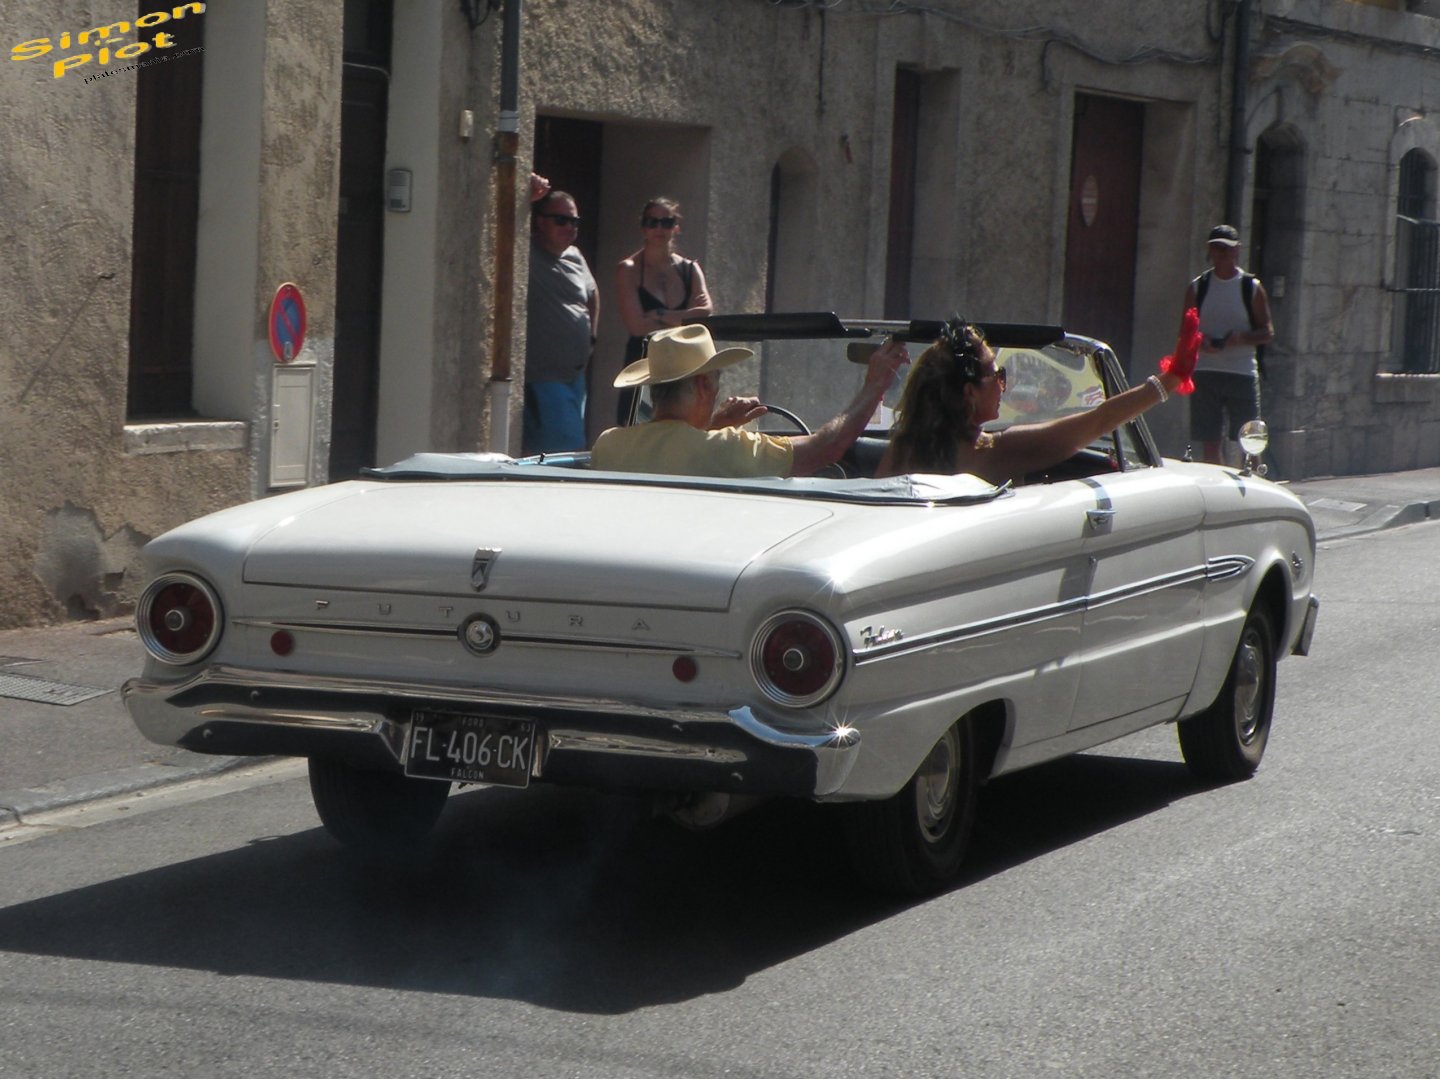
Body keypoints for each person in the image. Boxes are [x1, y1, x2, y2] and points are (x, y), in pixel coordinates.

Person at [878, 316, 1200, 487]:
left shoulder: (903, 447)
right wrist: (1170, 380)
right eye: (996, 374)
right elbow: (1098, 421)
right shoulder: (989, 452)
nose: (1003, 384)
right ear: (969, 392)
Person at [591, 324, 908, 478]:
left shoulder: (608, 444)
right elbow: (826, 448)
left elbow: (672, 449)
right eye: (716, 383)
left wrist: (714, 425)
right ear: (703, 384)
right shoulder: (725, 449)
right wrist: (875, 385)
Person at [613, 197, 715, 424]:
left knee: (684, 429)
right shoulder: (629, 269)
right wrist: (684, 319)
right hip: (643, 364)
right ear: (643, 227)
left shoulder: (689, 269)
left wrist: (660, 315)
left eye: (666, 222)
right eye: (653, 222)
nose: (659, 228)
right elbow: (637, 326)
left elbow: (705, 312)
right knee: (636, 431)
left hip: (684, 366)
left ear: (676, 227)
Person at [1182, 223, 1275, 465]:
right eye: (1216, 248)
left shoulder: (1251, 288)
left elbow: (1267, 332)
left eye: (1227, 248)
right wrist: (1203, 341)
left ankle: (1253, 482)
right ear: (1209, 250)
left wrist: (1241, 338)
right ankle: (1217, 486)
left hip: (1241, 372)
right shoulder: (1198, 287)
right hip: (1206, 372)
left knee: (1250, 443)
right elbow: (1186, 332)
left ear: (1237, 250)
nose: (1221, 253)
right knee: (1210, 443)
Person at [524, 187, 599, 455]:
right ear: (540, 221)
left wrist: (591, 338)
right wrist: (525, 197)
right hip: (544, 377)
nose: (570, 227)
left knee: (563, 452)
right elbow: (502, 225)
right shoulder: (526, 252)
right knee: (566, 452)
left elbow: (593, 294)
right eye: (561, 220)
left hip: (575, 377)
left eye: (574, 222)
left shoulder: (575, 256)